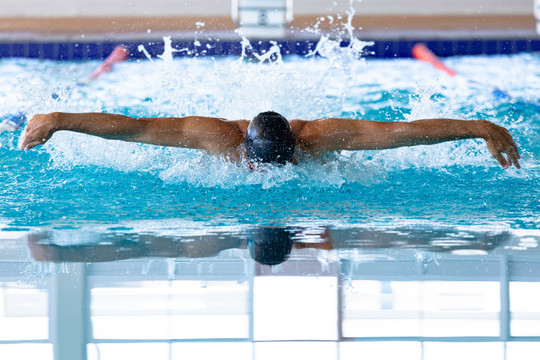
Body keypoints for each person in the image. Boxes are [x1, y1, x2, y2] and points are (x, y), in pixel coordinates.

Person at [20, 110, 521, 169]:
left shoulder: (320, 138)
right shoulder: (217, 138)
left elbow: (399, 135)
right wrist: (59, 119)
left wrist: (479, 127)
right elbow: (137, 128)